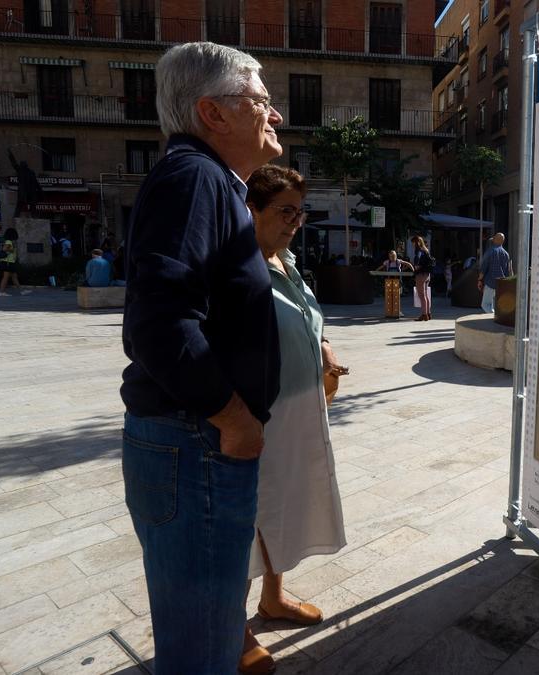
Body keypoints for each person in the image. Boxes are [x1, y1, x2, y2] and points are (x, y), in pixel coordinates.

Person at [120, 41, 284, 675]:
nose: (275, 115)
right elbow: (158, 323)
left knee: (207, 630)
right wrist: (233, 416)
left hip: (194, 445)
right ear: (214, 113)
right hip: (197, 444)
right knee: (202, 647)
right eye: (262, 101)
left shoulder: (211, 180)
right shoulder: (195, 178)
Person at [240, 164, 348, 674]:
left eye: (299, 213)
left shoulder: (283, 260)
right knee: (254, 513)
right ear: (252, 210)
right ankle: (231, 628)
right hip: (264, 412)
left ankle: (273, 599)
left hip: (302, 408)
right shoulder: (238, 265)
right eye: (284, 211)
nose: (294, 222)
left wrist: (324, 347)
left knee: (287, 502)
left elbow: (310, 312)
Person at [477, 232, 513, 313]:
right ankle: (493, 317)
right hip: (501, 283)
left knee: (485, 304)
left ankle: (490, 318)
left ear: (495, 240)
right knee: (494, 305)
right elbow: (508, 271)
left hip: (490, 281)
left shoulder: (490, 251)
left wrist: (479, 280)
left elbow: (483, 267)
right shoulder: (506, 254)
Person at [0, 227, 31, 296]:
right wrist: (11, 250)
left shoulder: (9, 241)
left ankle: (21, 291)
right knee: (6, 277)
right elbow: (4, 249)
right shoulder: (9, 241)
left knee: (14, 276)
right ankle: (1, 292)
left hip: (10, 262)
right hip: (8, 262)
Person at [411, 235, 434, 321]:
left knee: (422, 295)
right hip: (427, 275)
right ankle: (428, 313)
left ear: (416, 243)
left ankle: (424, 315)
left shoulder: (419, 251)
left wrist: (415, 266)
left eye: (413, 243)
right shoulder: (426, 250)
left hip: (421, 275)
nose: (413, 245)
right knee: (426, 295)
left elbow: (417, 263)